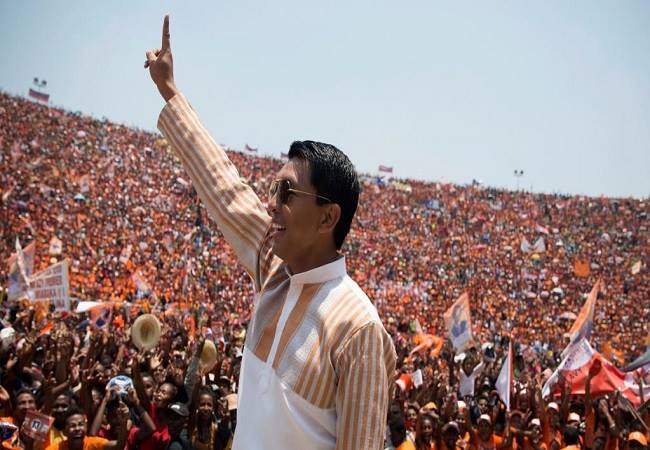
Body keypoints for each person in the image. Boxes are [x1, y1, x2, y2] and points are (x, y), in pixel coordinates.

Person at [144, 14, 396, 450]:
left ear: (327, 218)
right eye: (273, 189)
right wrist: (170, 90)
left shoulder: (358, 330)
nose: (270, 203)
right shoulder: (275, 271)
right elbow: (225, 190)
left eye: (286, 192)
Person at [44, 405, 128, 450]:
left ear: (86, 427)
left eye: (80, 424)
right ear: (64, 432)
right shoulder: (56, 448)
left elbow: (118, 446)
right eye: (73, 425)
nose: (77, 429)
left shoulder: (93, 443)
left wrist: (124, 422)